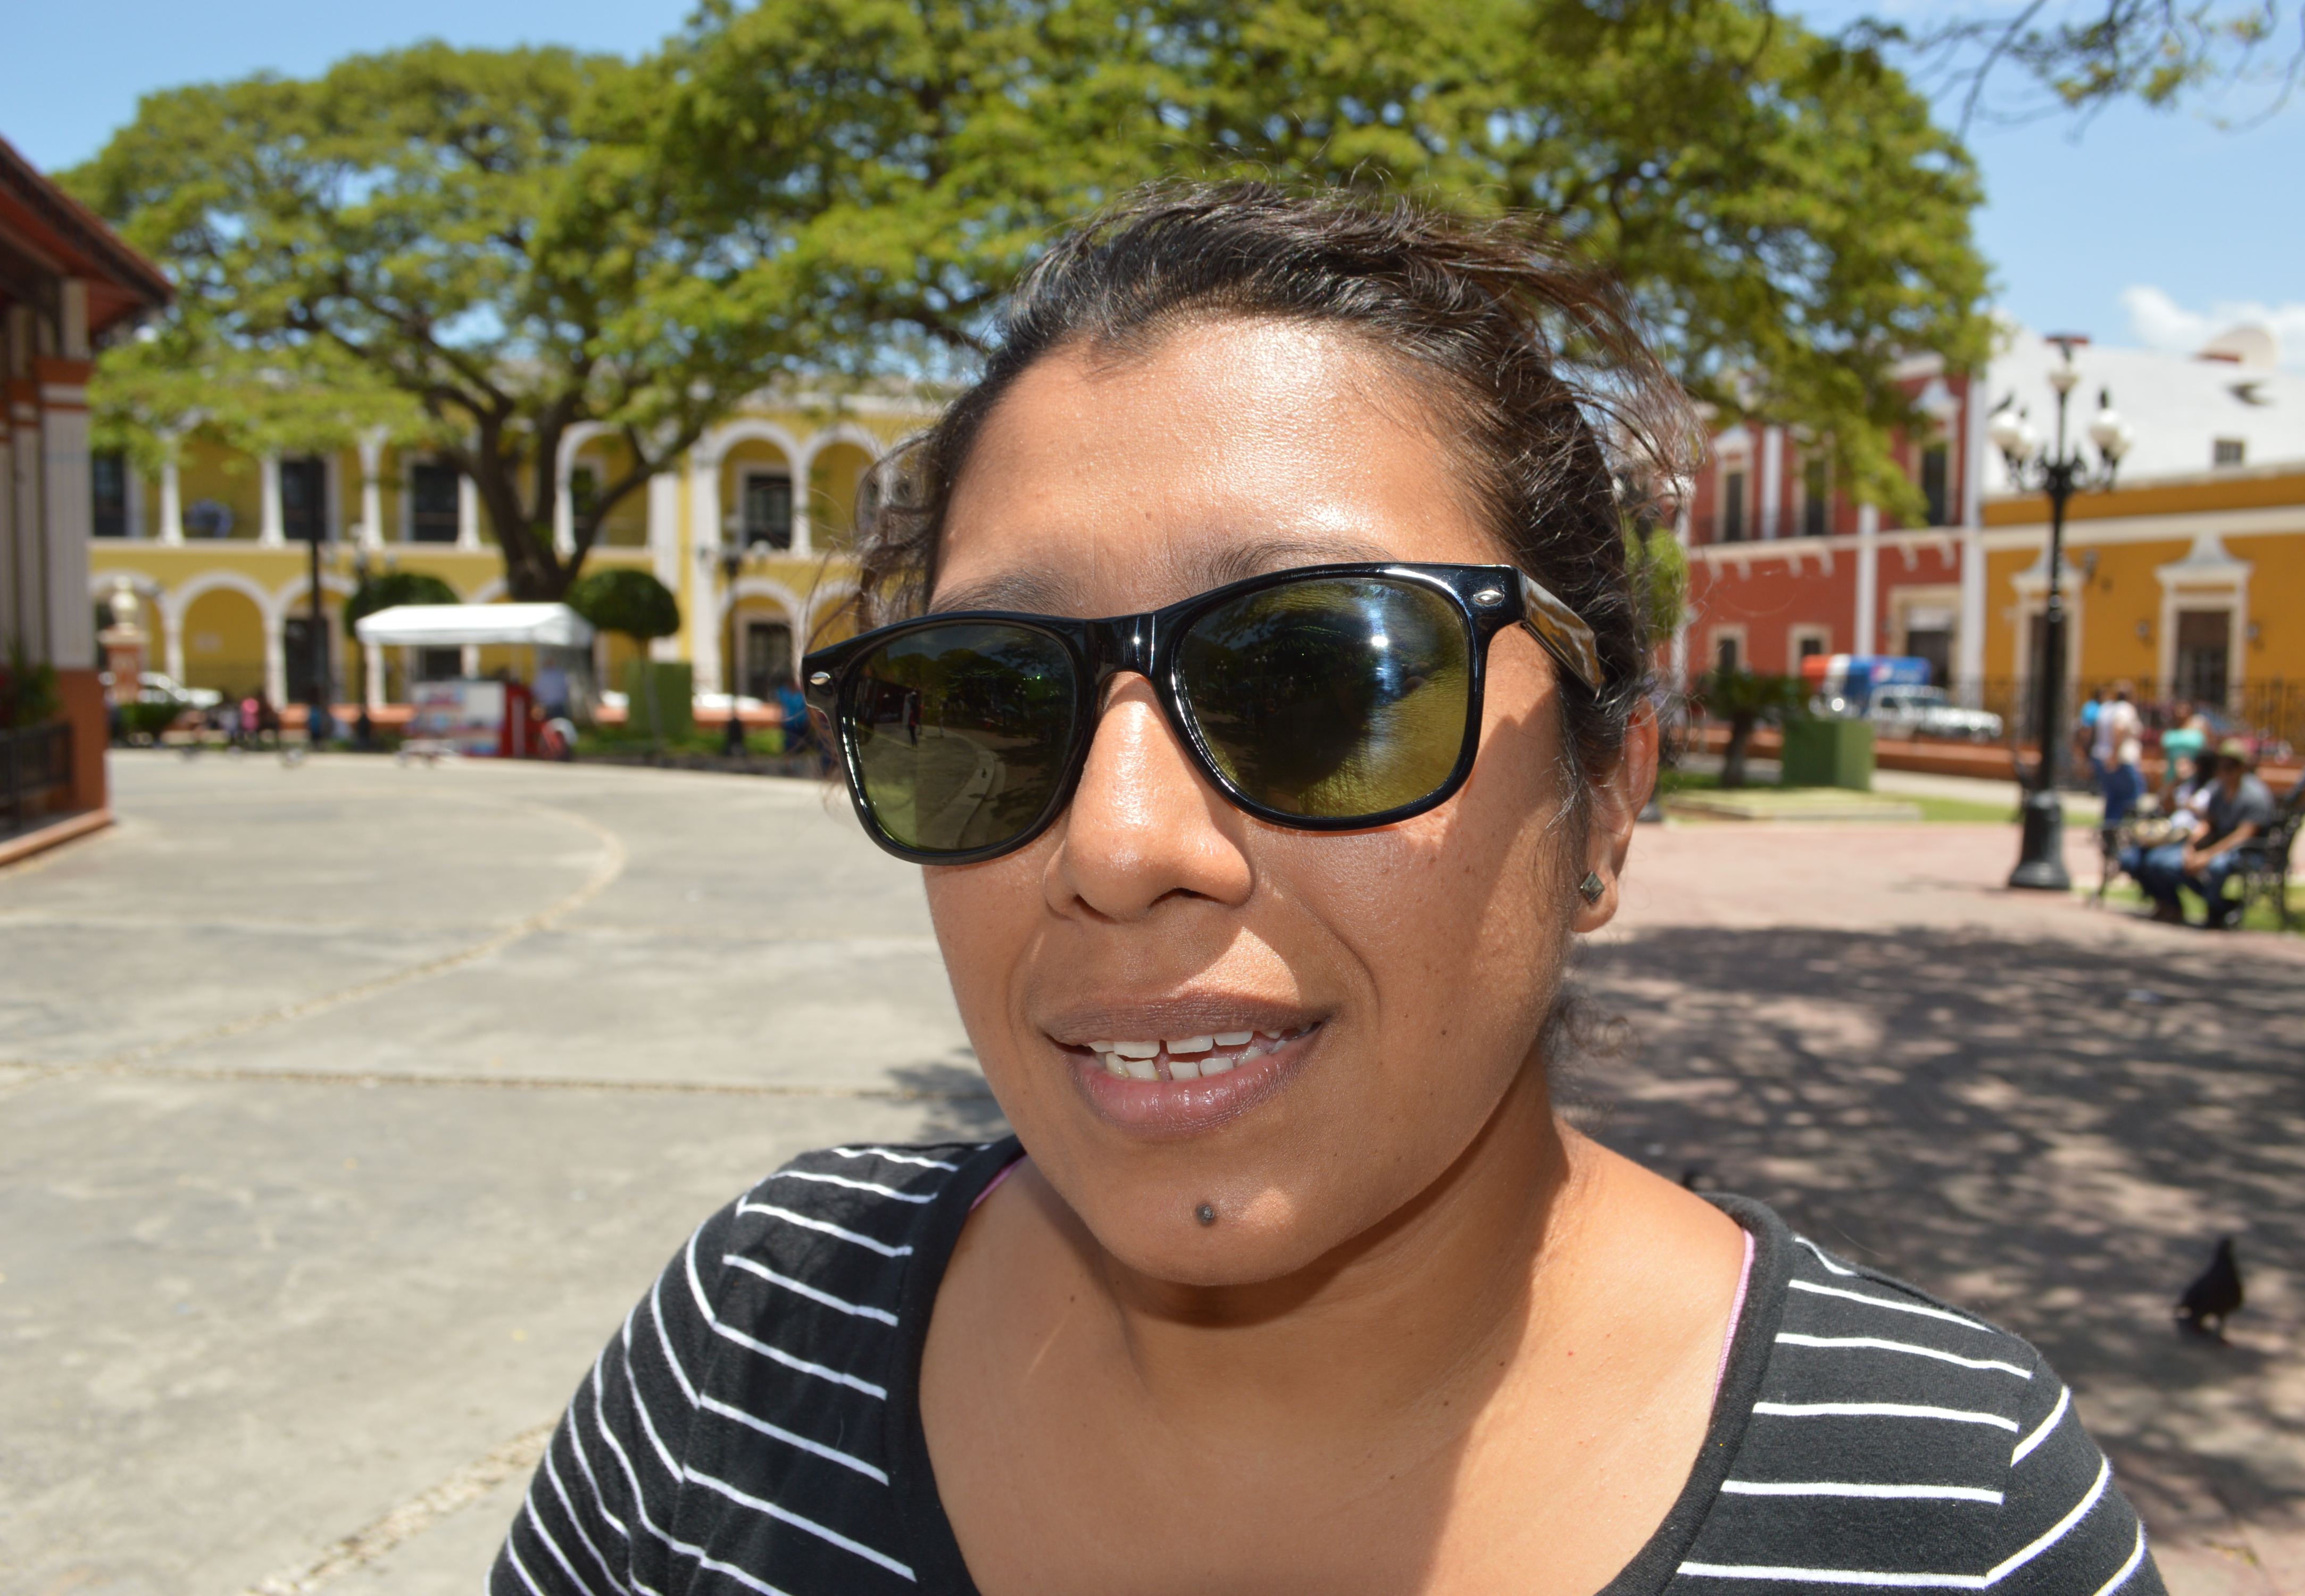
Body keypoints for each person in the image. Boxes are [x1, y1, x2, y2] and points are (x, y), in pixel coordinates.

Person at [493, 185, 2159, 1596]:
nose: (1117, 843)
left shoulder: (1955, 1515)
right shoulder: (746, 1350)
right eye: (988, 700)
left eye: (1318, 680)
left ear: (1603, 797)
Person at [2128, 739, 2277, 926]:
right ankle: (2220, 905)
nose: (2223, 770)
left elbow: (2242, 836)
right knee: (2160, 862)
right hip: (2215, 846)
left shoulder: (2255, 796)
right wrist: (2190, 848)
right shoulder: (2219, 789)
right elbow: (2208, 822)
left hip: (2247, 852)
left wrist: (2206, 856)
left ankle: (2216, 909)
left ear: (2243, 767)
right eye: (2221, 764)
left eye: (2230, 766)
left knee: (2217, 867)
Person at [2094, 681, 2144, 826]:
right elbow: (2119, 729)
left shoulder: (2106, 708)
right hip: (2121, 759)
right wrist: (2114, 755)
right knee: (2134, 793)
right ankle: (2122, 828)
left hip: (2101, 756)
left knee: (2113, 796)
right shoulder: (2125, 708)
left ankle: (2109, 828)